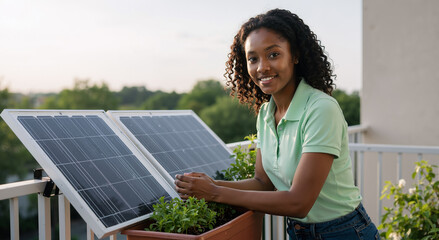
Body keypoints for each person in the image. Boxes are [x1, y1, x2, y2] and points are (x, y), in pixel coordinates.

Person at [175, 8, 379, 240]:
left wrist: (215, 193)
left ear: (295, 55)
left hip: (344, 232)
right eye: (253, 58)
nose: (262, 67)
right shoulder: (266, 113)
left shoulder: (321, 109)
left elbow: (298, 203)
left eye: (273, 54)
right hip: (298, 232)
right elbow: (263, 183)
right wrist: (211, 184)